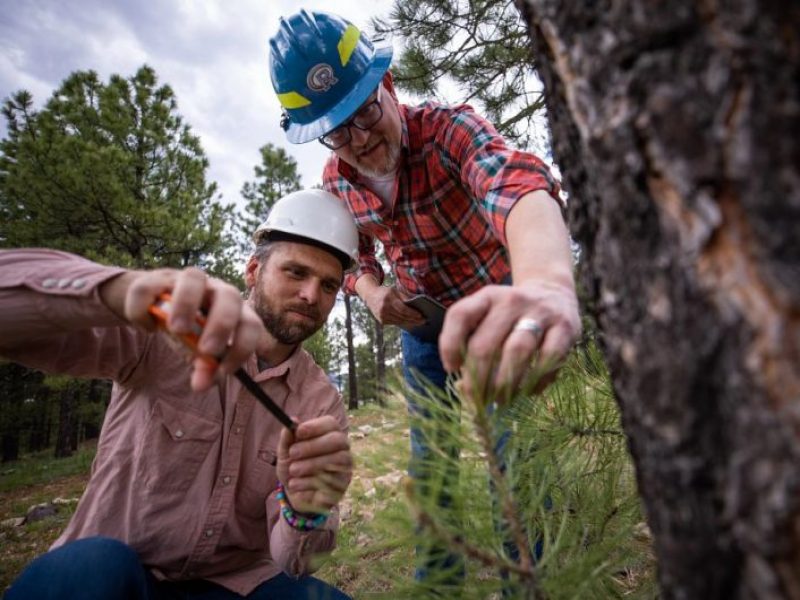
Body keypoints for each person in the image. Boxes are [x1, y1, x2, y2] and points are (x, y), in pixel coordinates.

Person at [268, 9, 582, 590]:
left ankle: (531, 585)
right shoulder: (336, 180)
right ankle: (439, 585)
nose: (359, 139)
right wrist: (371, 291)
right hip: (423, 333)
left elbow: (517, 183)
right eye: (338, 129)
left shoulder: (449, 130)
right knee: (430, 469)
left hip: (496, 315)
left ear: (387, 85)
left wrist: (545, 283)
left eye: (364, 111)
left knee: (513, 462)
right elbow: (353, 256)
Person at [1, 189, 360, 600]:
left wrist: (303, 512)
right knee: (88, 568)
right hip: (119, 573)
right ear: (253, 270)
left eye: (328, 285)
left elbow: (294, 563)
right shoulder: (168, 329)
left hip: (234, 585)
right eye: (296, 273)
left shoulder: (320, 402)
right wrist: (115, 291)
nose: (312, 295)